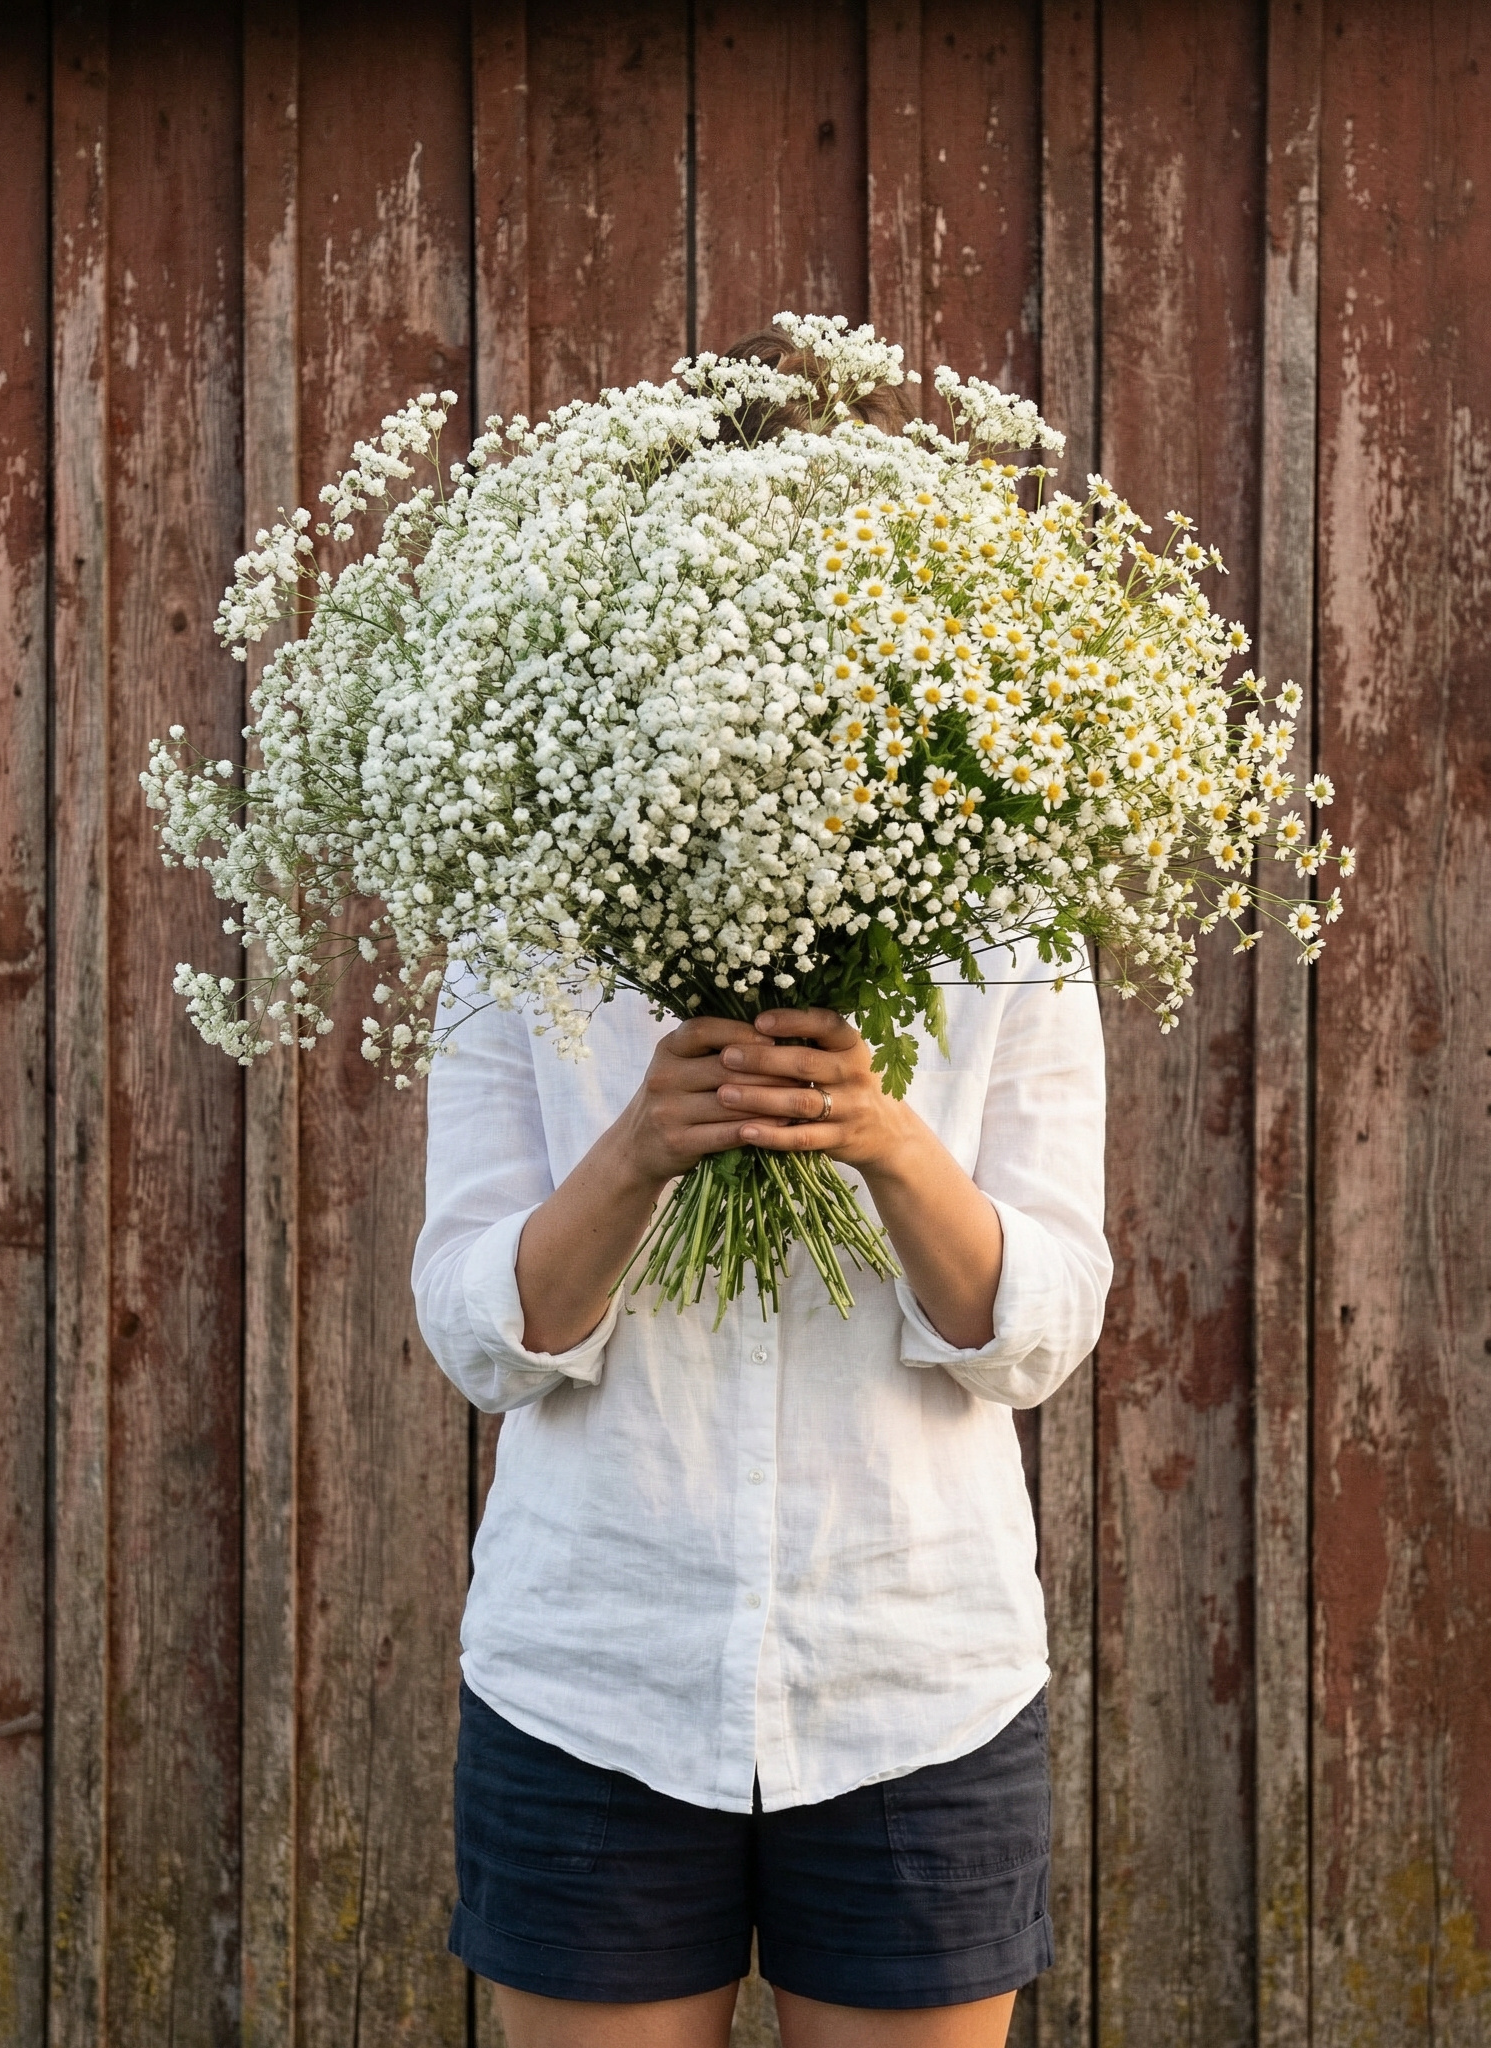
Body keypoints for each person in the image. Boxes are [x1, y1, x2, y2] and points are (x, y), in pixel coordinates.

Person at [412, 337, 1112, 2048]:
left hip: (913, 1677)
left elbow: (1040, 1328)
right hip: (595, 1672)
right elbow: (480, 1332)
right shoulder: (527, 910)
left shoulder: (1006, 911)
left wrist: (882, 1141)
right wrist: (645, 1148)